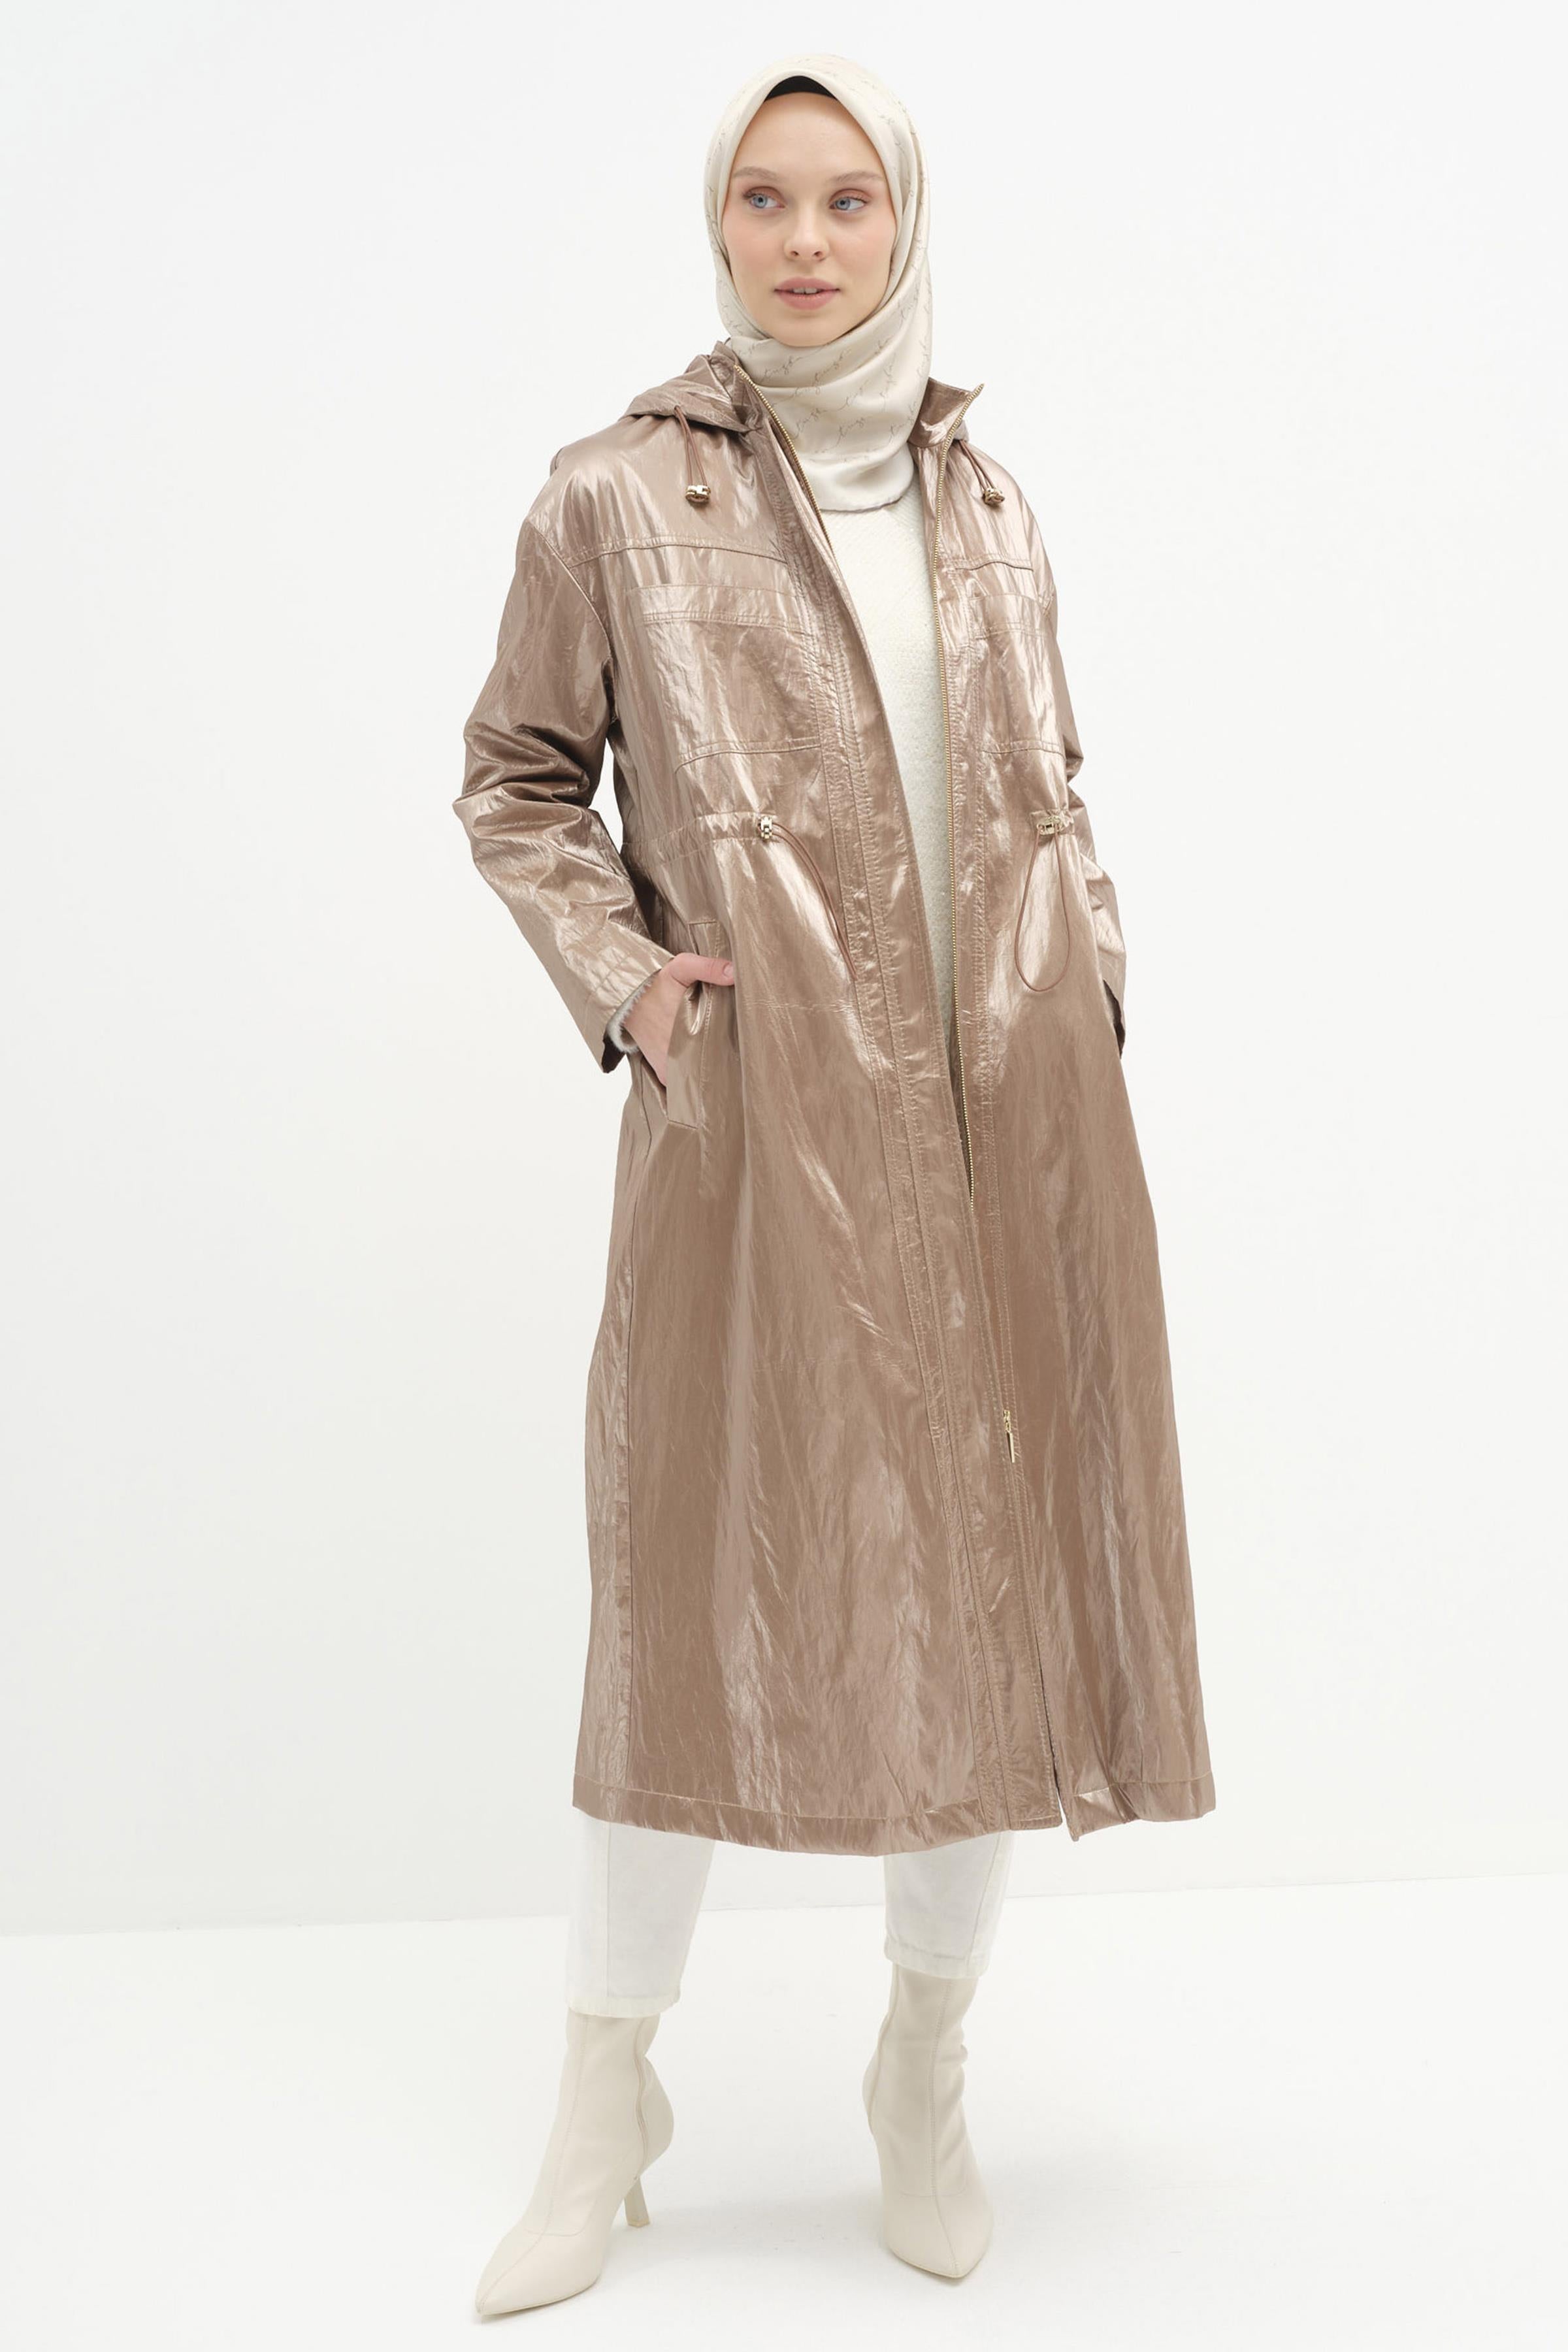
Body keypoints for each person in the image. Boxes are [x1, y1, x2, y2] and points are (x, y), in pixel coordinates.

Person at [455, 52, 1215, 2312]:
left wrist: (1091, 979)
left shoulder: (991, 505)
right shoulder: (616, 495)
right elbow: (516, 778)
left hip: (1014, 1125)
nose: (806, 240)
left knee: (986, 1578)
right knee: (687, 1587)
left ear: (904, 223)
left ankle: (923, 2069)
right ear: (719, 225)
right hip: (761, 1128)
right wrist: (633, 983)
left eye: (848, 199)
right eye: (766, 200)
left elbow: (1053, 780)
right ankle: (607, 2096)